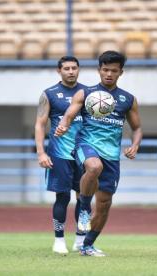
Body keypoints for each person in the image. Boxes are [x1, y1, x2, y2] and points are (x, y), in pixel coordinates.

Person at [55, 50, 143, 257]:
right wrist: (64, 125)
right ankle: (84, 207)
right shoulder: (85, 94)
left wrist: (135, 145)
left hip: (112, 154)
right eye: (105, 70)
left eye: (114, 71)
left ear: (121, 72)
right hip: (86, 146)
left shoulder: (127, 99)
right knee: (94, 167)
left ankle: (87, 245)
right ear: (99, 70)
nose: (109, 74)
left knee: (104, 205)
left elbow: (137, 127)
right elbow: (68, 114)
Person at [34, 56, 88, 254]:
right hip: (59, 154)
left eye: (74, 68)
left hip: (84, 154)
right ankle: (59, 240)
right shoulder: (49, 94)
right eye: (67, 68)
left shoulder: (88, 93)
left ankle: (81, 240)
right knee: (62, 197)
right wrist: (41, 153)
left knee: (84, 198)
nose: (71, 71)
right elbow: (40, 124)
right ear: (59, 71)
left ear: (79, 70)